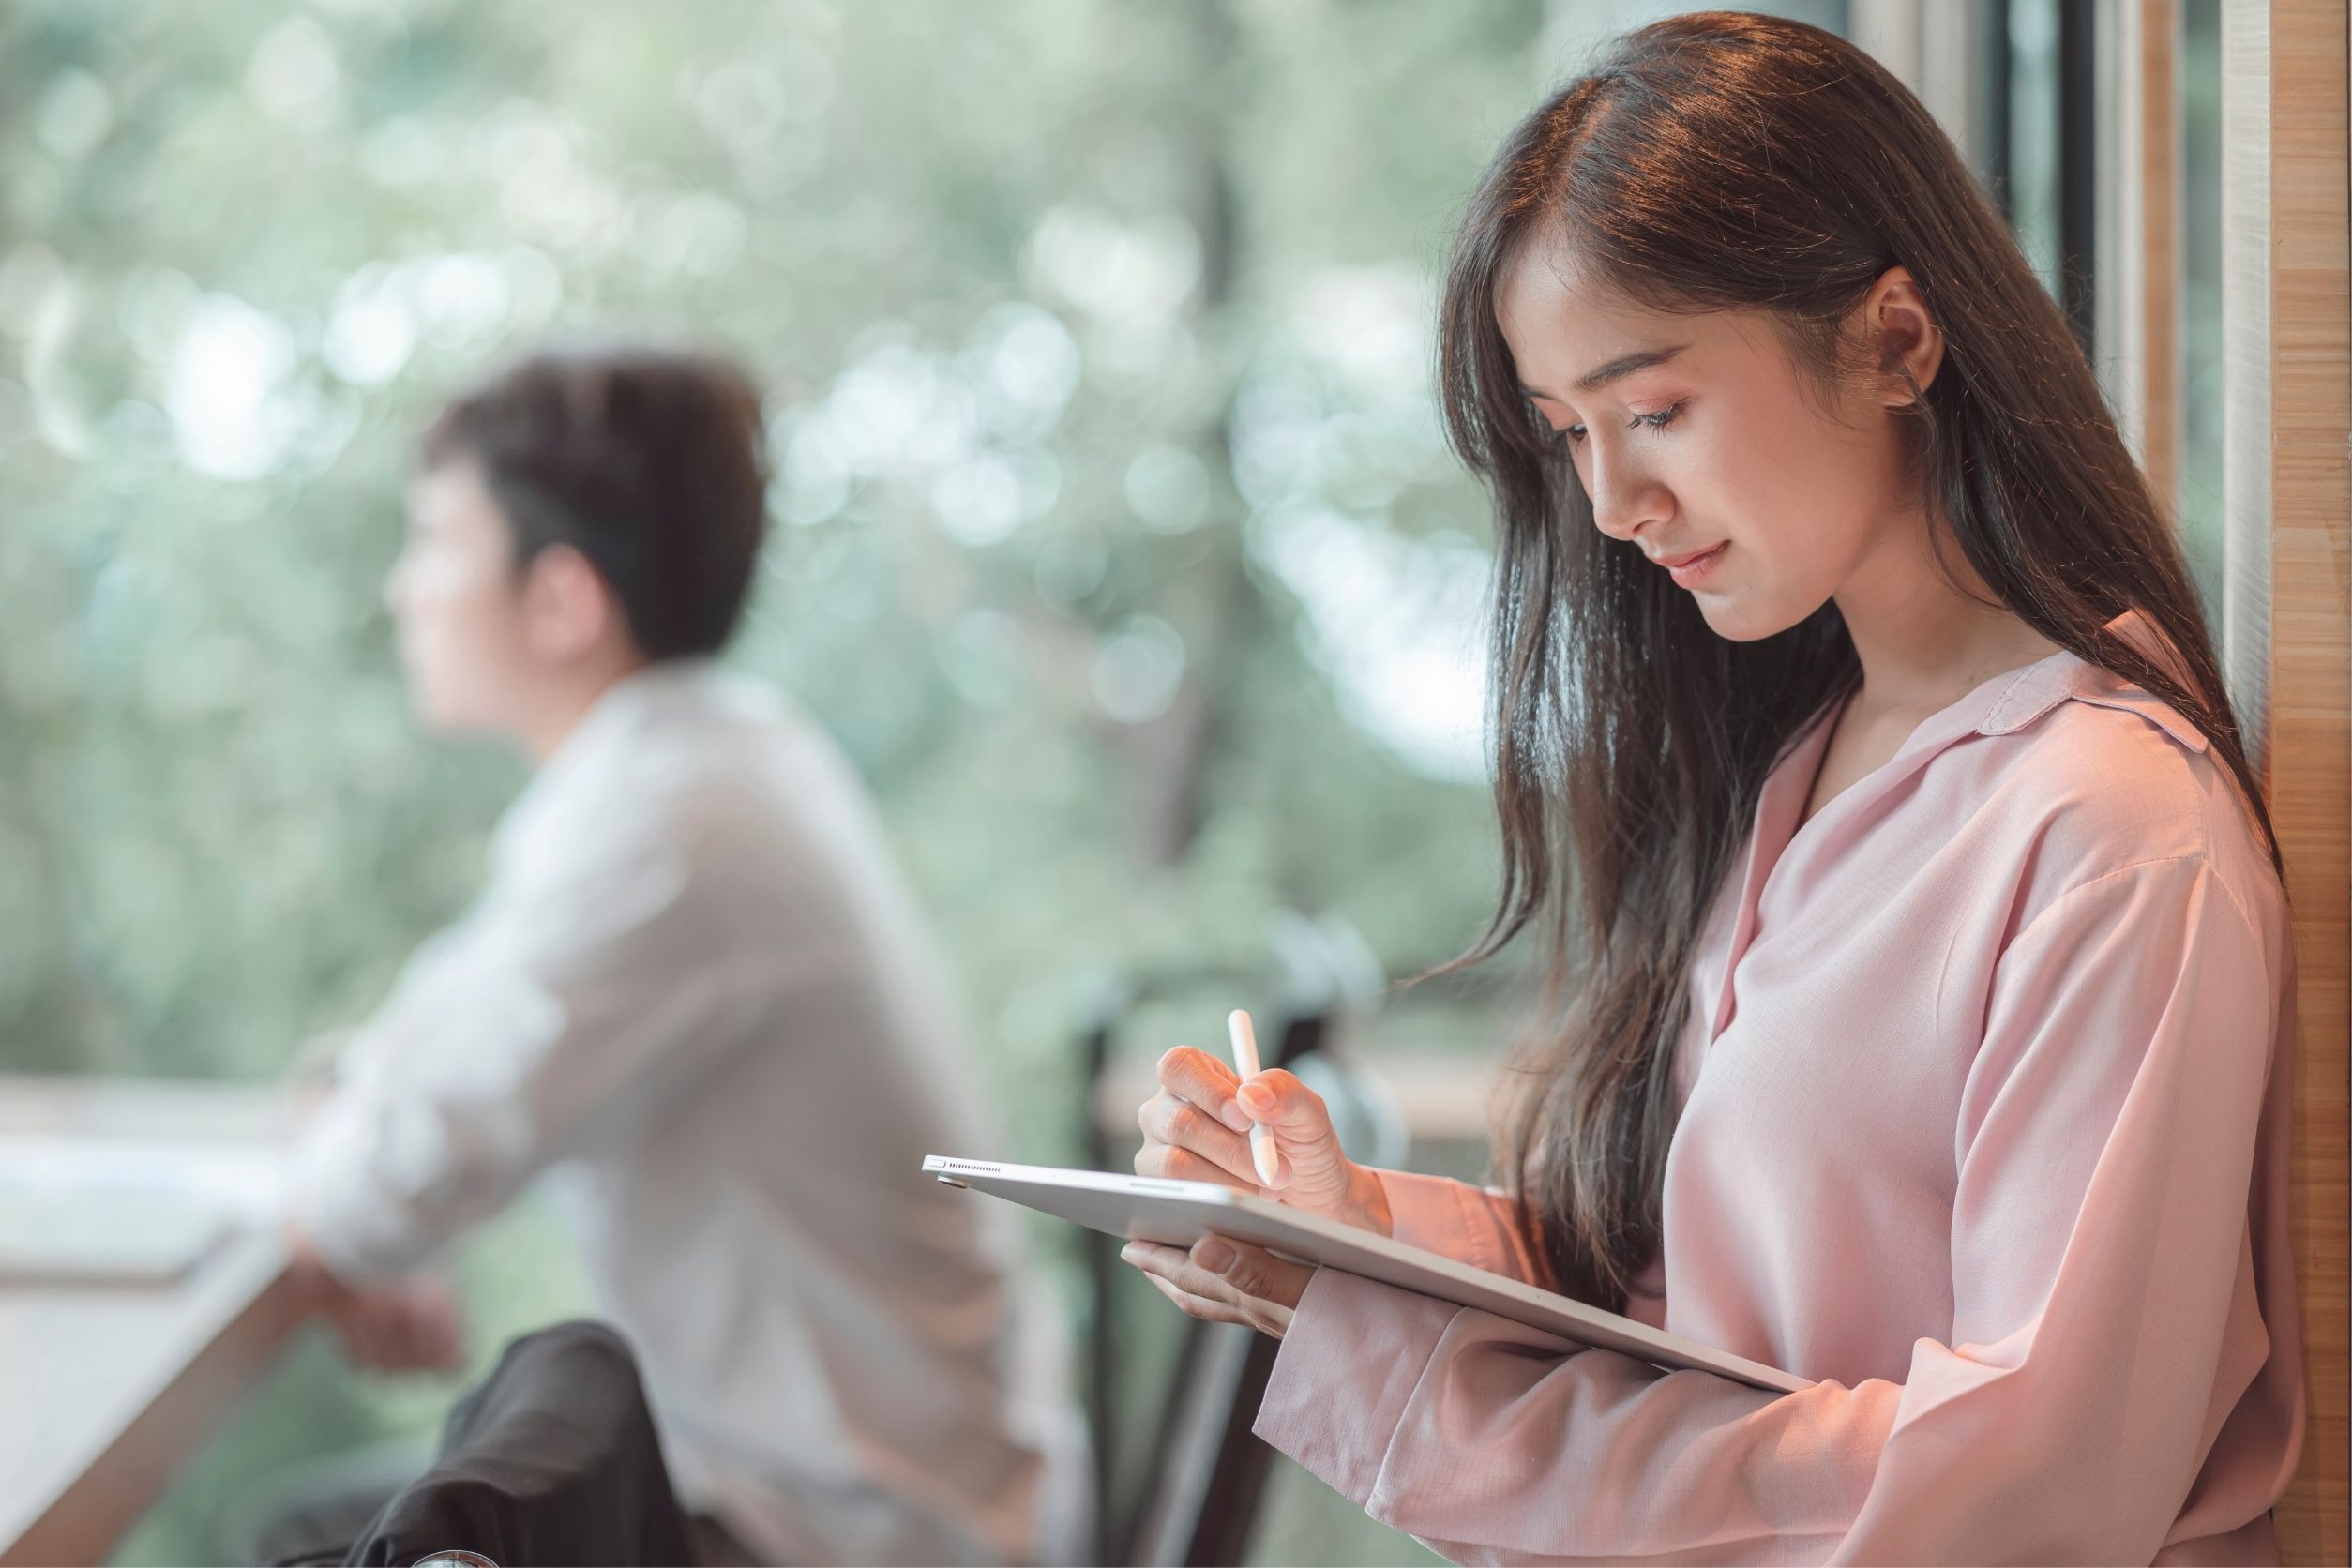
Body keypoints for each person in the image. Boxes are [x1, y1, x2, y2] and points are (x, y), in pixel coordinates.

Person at [1121, 13, 2302, 1564]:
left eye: (1655, 410)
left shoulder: (2111, 828)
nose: (1612, 503)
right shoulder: (1804, 766)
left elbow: (2030, 1490)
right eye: (1570, 437)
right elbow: (1707, 1300)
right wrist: (1361, 1243)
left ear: (1895, 337)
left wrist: (1413, 1372)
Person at [279, 344, 1088, 1566]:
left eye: (436, 541)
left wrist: (361, 1202)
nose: (405, 589)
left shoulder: (669, 831)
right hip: (894, 1491)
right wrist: (360, 1147)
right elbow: (421, 1067)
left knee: (312, 1538)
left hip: (847, 1533)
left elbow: (370, 1190)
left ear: (561, 601)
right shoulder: (701, 766)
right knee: (328, 1526)